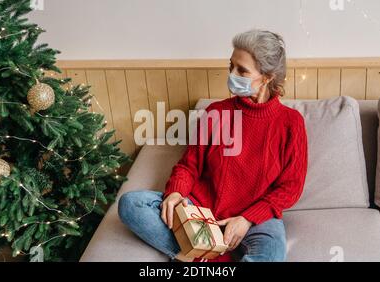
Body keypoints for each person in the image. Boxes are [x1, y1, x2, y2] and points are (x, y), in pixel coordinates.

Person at [118, 29, 308, 262]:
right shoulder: (216, 112)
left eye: (242, 70)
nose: (232, 74)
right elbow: (189, 165)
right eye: (231, 66)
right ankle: (197, 255)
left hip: (255, 220)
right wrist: (176, 192)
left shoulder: (291, 123)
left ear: (267, 76)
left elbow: (290, 188)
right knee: (131, 203)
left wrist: (246, 219)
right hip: (202, 209)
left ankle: (197, 253)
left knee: (272, 255)